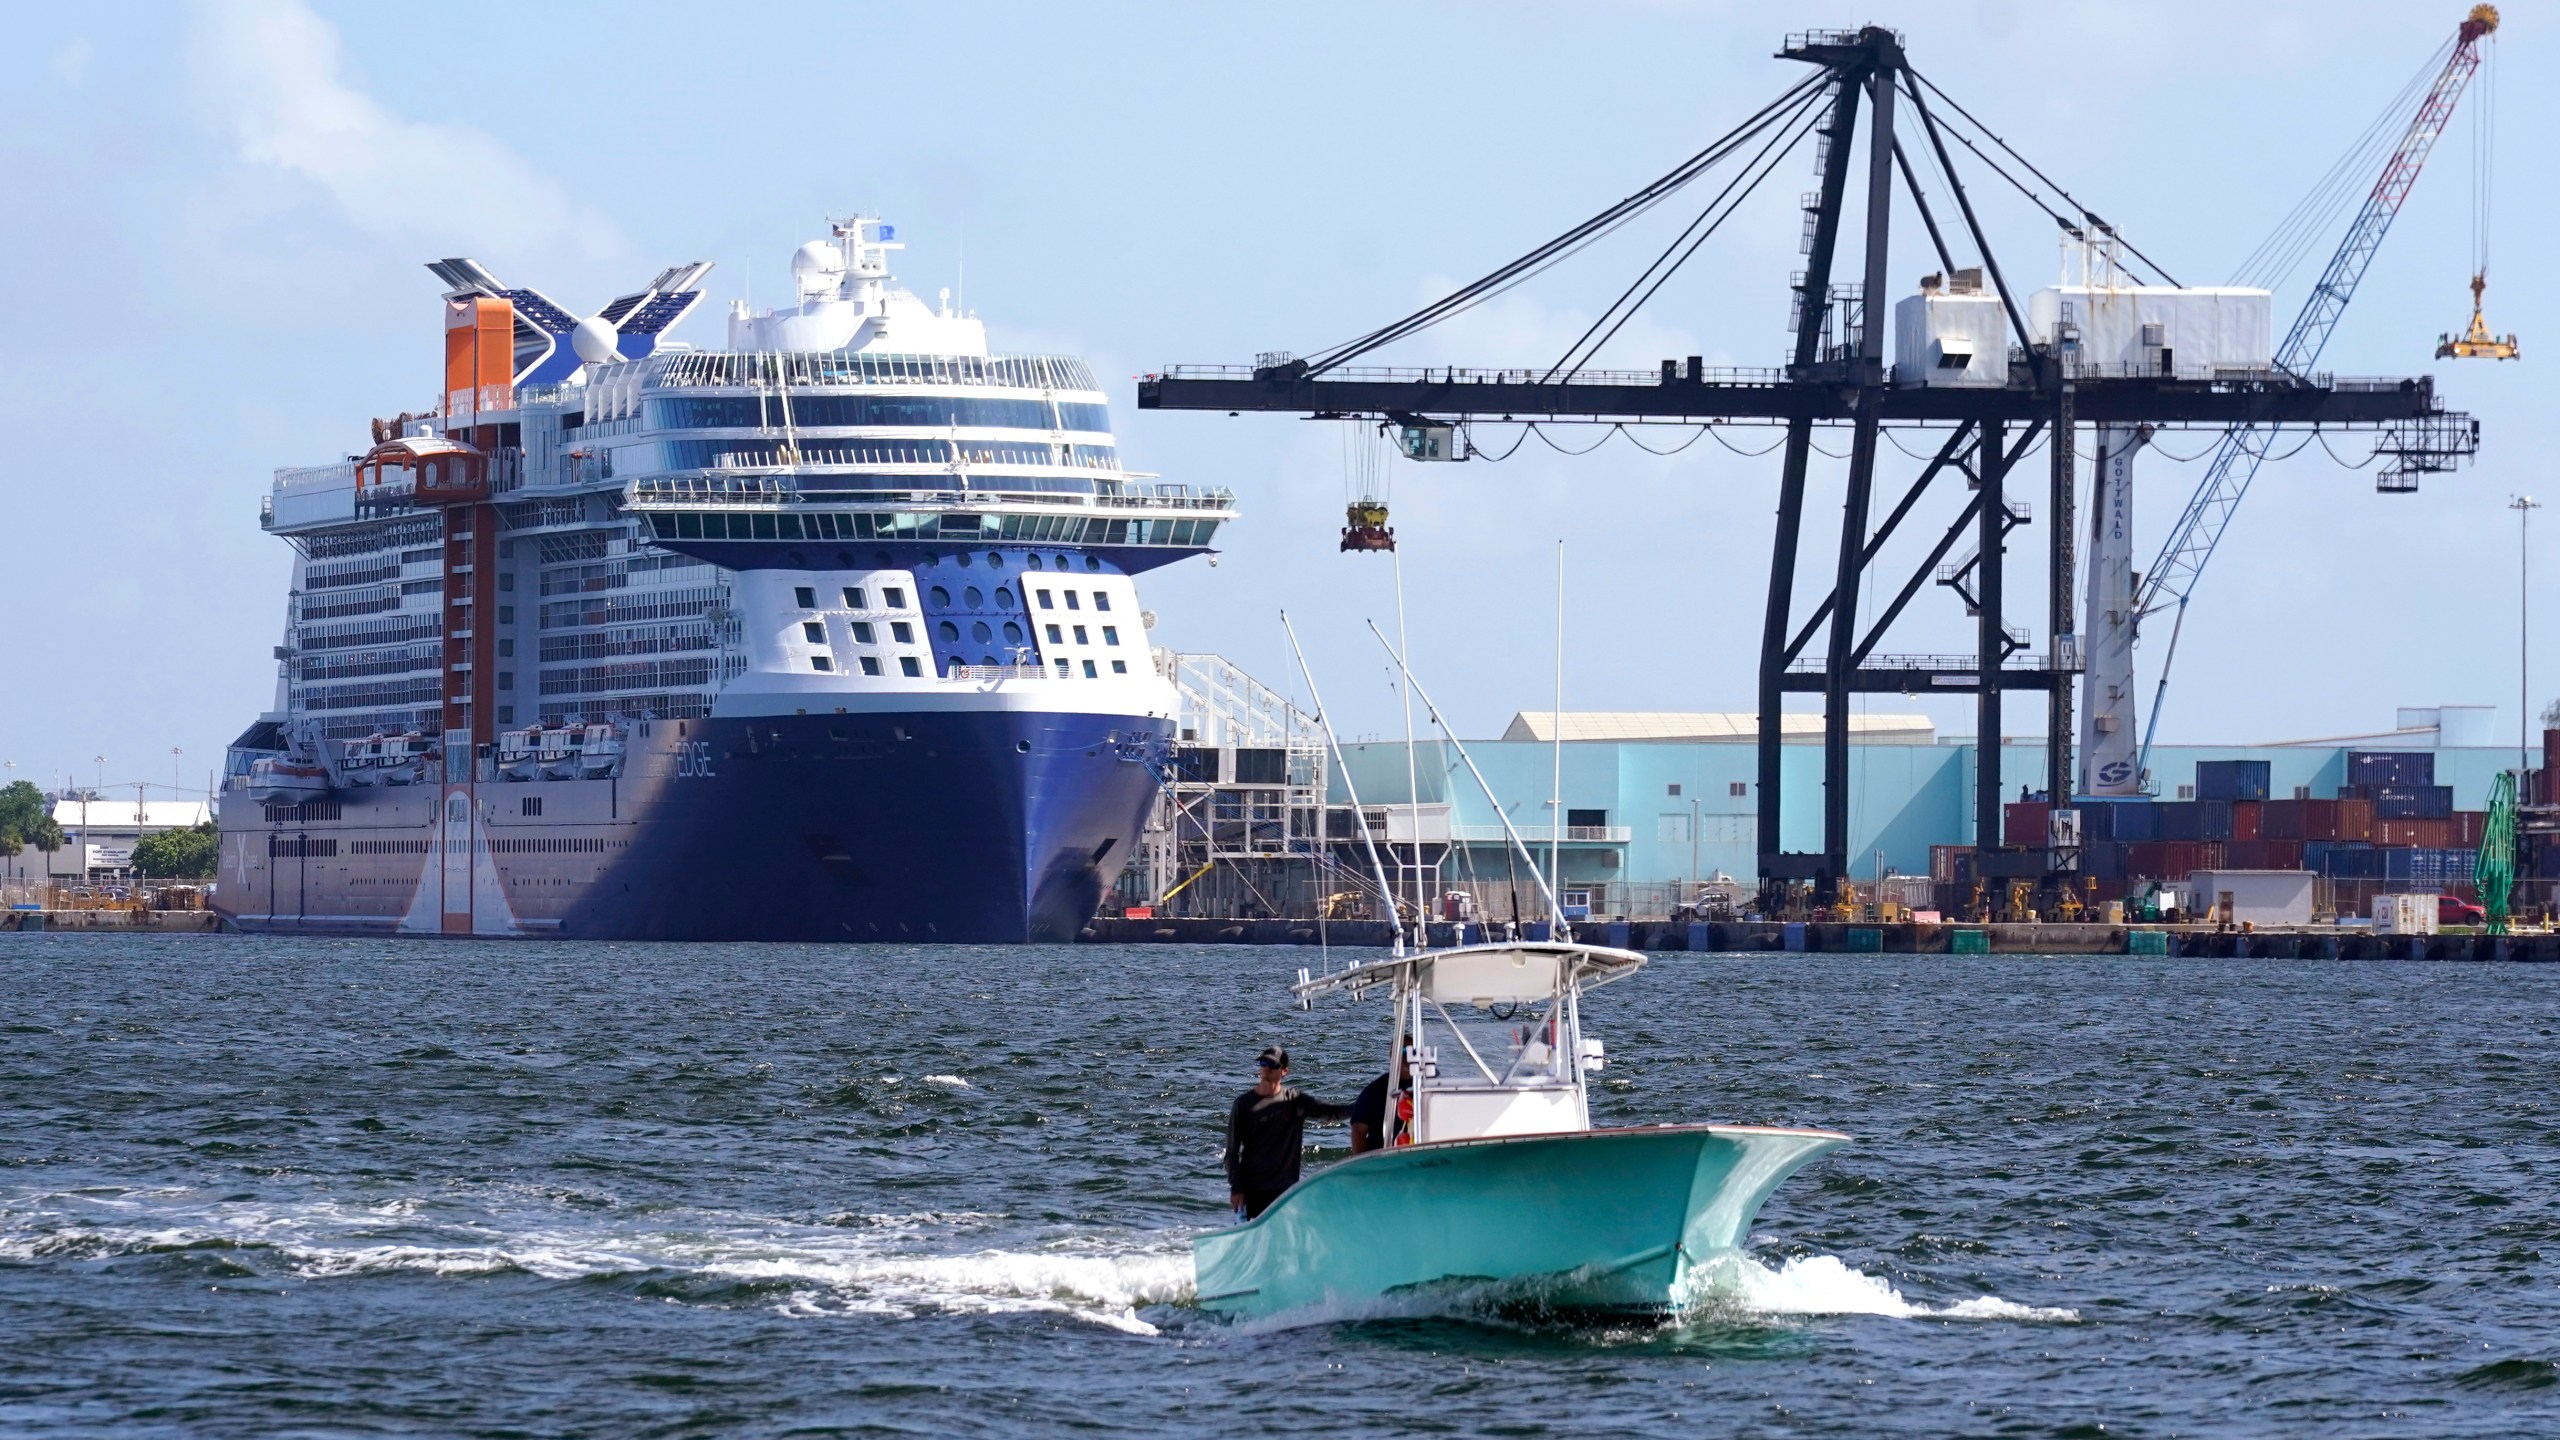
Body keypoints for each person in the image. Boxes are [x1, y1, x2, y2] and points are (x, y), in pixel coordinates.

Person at [1223, 1045, 1351, 1220]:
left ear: (1284, 1071)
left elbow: (1331, 1113)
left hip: (1286, 1191)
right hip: (1251, 1190)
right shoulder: (1243, 1104)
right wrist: (1236, 1188)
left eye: (1273, 1065)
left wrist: (1364, 1108)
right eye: (1263, 1062)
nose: (1266, 1068)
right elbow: (1231, 1152)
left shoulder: (1295, 1101)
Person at [1348, 1038, 1413, 1154]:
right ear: (1392, 1055)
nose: (1408, 1056)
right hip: (1382, 1156)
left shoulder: (1429, 1088)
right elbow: (1358, 1130)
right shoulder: (1374, 1091)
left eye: (1413, 1051)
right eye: (1403, 1051)